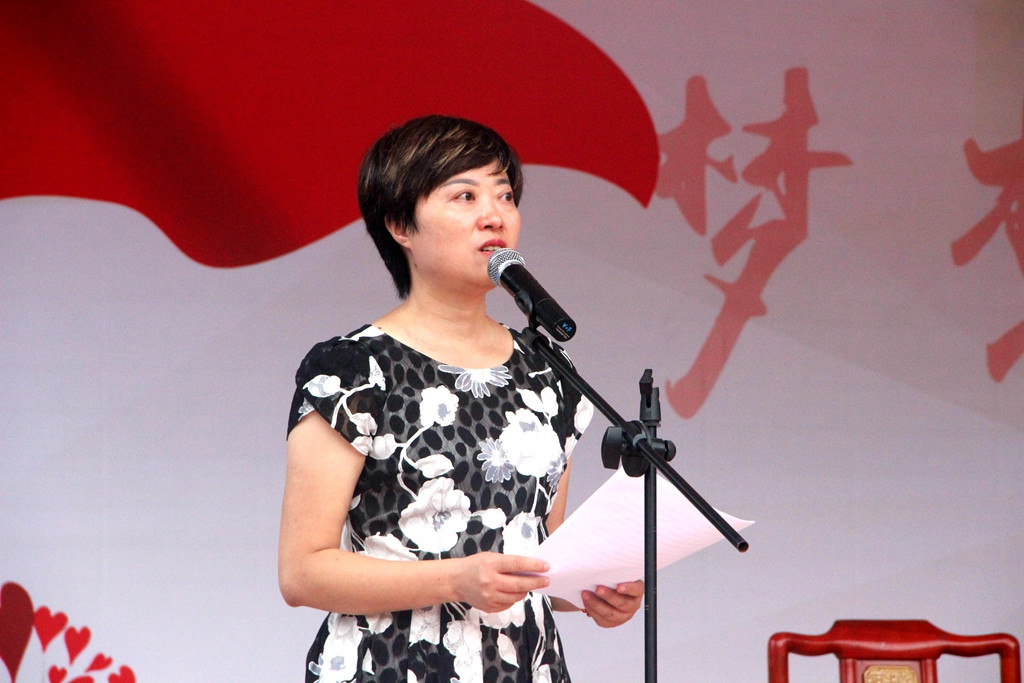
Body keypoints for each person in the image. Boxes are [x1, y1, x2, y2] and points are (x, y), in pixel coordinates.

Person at [278, 114, 644, 683]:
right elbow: (302, 573)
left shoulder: (548, 371)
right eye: (465, 196)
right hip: (392, 664)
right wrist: (454, 579)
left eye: (505, 195)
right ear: (400, 224)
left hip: (524, 665)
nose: (494, 215)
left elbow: (537, 555)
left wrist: (591, 592)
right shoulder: (352, 370)